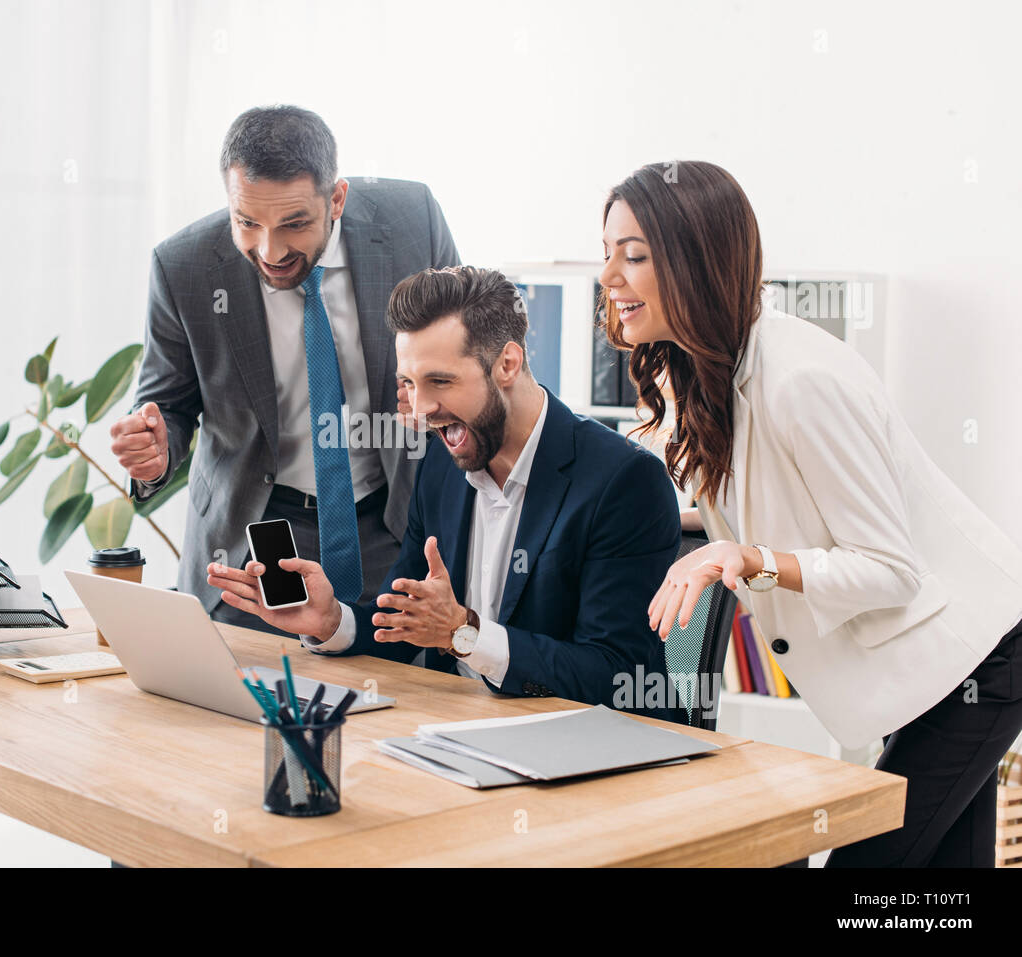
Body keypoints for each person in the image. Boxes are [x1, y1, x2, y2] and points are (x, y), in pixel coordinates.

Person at [599, 160, 1022, 865]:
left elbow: (891, 569)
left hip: (977, 658)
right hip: (926, 669)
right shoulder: (707, 373)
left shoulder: (801, 381)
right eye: (607, 251)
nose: (609, 274)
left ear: (696, 259)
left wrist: (750, 558)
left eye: (633, 255)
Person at [208, 266, 680, 718]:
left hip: (571, 757)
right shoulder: (442, 463)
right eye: (409, 384)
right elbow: (406, 619)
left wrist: (464, 634)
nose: (423, 408)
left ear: (507, 365)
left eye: (440, 382)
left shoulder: (623, 481)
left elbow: (618, 676)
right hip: (446, 733)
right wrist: (331, 621)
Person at [109, 106, 460, 629]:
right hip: (254, 536)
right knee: (245, 700)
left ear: (336, 198)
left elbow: (461, 353)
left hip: (390, 521)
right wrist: (156, 452)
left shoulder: (413, 220)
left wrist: (436, 401)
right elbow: (171, 406)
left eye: (294, 224)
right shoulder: (183, 265)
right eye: (247, 223)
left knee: (399, 696)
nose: (270, 250)